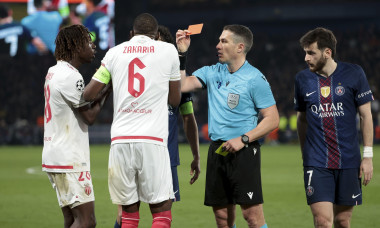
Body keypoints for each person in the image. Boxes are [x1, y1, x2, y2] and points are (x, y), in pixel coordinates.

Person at [83, 13, 181, 228]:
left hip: (120, 141)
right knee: (162, 211)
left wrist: (112, 85)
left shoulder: (114, 53)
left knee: (128, 213)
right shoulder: (168, 50)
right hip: (152, 139)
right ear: (156, 35)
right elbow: (174, 100)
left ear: (131, 34)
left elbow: (89, 94)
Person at [176, 25, 279, 228]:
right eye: (219, 40)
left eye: (224, 41)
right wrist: (182, 54)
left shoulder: (255, 78)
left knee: (252, 216)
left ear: (240, 47)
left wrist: (243, 139)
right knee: (222, 218)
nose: (218, 45)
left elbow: (272, 119)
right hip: (217, 150)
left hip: (244, 151)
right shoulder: (212, 71)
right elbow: (182, 86)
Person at [112, 25, 201, 228]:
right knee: (126, 214)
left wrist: (196, 155)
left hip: (164, 154)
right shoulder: (137, 75)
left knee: (158, 213)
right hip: (136, 147)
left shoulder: (177, 79)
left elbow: (188, 118)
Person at [294, 27, 374, 228]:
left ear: (327, 52)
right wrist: (305, 154)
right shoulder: (302, 79)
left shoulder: (354, 73)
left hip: (349, 160)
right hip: (316, 161)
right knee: (322, 221)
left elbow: (366, 116)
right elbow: (301, 120)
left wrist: (368, 156)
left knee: (342, 221)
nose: (306, 57)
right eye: (305, 52)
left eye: (311, 52)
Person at [42, 24, 111, 228]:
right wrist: (108, 87)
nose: (94, 46)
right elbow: (89, 116)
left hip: (54, 154)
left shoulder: (53, 71)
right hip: (69, 158)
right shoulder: (71, 76)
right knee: (87, 221)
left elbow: (82, 104)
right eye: (89, 42)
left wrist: (103, 89)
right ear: (77, 46)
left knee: (72, 219)